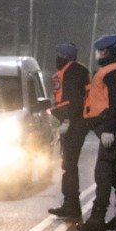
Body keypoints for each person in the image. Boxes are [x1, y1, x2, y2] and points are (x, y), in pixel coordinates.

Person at [77, 34, 116, 231]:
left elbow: (115, 103)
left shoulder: (115, 72)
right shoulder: (111, 70)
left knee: (103, 173)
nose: (96, 54)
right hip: (111, 126)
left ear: (107, 51)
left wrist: (109, 129)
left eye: (99, 51)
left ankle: (97, 218)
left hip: (113, 127)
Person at [47, 42, 91, 219]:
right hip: (73, 123)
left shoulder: (73, 73)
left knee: (69, 165)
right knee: (68, 165)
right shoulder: (75, 71)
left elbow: (73, 100)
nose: (57, 58)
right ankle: (70, 204)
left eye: (60, 55)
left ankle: (71, 206)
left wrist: (67, 120)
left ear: (66, 57)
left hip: (74, 123)